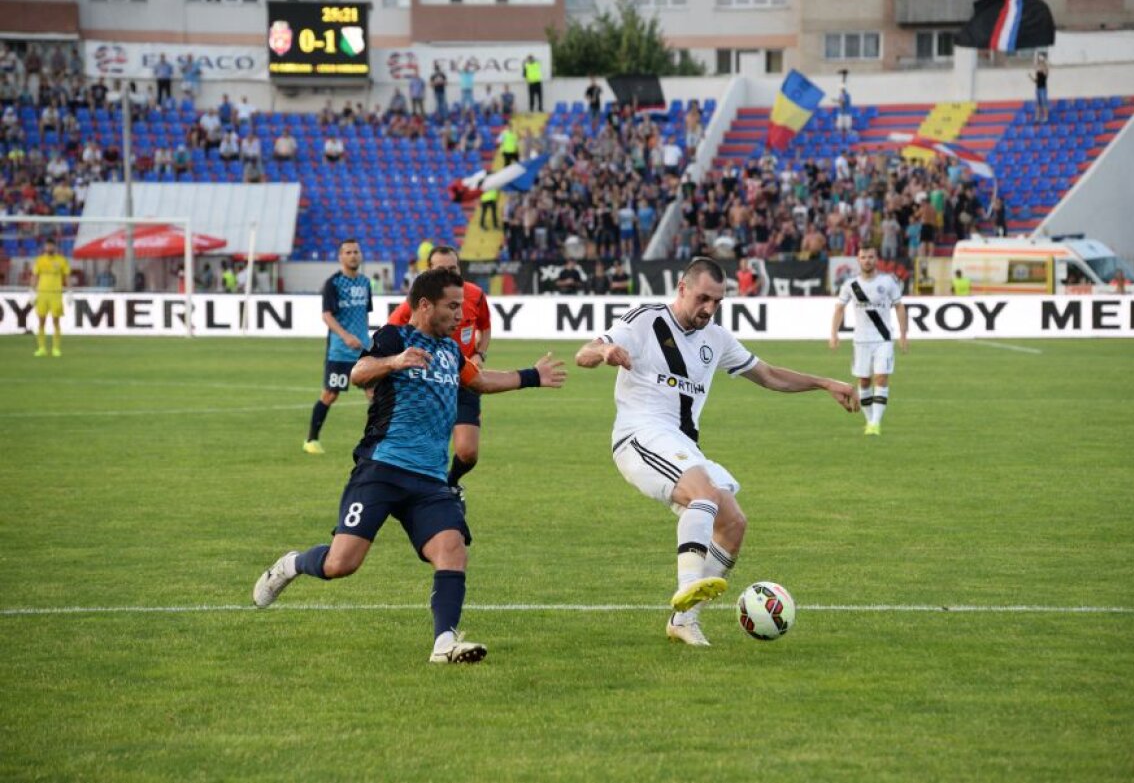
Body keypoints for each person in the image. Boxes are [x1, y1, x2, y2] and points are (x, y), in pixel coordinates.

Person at [254, 267, 567, 664]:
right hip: (382, 469)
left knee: (452, 550)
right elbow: (358, 373)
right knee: (340, 564)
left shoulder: (450, 350)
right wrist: (394, 362)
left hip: (430, 480)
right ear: (424, 305)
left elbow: (479, 381)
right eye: (452, 306)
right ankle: (291, 564)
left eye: (462, 307)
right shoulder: (394, 336)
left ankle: (444, 643)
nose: (460, 315)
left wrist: (531, 376)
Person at [574, 258, 858, 646]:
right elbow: (585, 353)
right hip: (639, 436)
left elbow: (768, 374)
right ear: (682, 289)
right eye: (703, 298)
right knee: (704, 495)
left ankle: (683, 621)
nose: (709, 308)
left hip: (682, 445)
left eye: (718, 301)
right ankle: (688, 585)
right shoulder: (646, 319)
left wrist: (824, 383)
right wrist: (605, 352)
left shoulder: (716, 339)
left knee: (733, 523)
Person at [387, 245, 492, 494]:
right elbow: (391, 331)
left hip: (465, 380)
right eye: (441, 269)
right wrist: (397, 361)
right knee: (415, 450)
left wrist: (479, 353)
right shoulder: (418, 302)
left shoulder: (475, 295)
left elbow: (485, 327)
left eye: (453, 269)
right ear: (429, 271)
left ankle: (451, 482)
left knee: (468, 453)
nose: (448, 274)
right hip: (428, 382)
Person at [304, 239, 372, 455]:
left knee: (374, 394)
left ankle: (373, 442)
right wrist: (346, 337)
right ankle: (311, 440)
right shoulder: (333, 283)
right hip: (341, 351)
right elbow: (327, 315)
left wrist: (366, 340)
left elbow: (364, 314)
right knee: (330, 395)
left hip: (363, 351)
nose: (353, 256)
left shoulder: (365, 283)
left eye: (356, 252)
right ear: (341, 257)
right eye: (348, 252)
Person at [830, 246, 907, 437]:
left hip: (883, 338)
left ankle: (875, 423)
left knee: (881, 377)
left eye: (870, 257)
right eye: (863, 257)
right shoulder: (850, 284)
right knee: (864, 381)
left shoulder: (887, 281)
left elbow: (899, 307)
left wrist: (903, 334)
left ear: (876, 259)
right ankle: (869, 420)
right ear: (858, 260)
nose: (867, 260)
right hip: (861, 340)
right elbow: (839, 308)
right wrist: (834, 334)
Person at [31, 237, 71, 357]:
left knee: (56, 321)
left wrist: (70, 291)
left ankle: (56, 348)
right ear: (45, 247)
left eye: (51, 245)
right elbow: (35, 276)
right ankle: (41, 348)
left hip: (56, 294)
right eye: (47, 245)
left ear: (55, 246)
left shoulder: (61, 260)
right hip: (42, 293)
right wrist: (31, 291)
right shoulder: (40, 260)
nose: (49, 247)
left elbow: (67, 276)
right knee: (41, 320)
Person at [1031, 54, 1050, 125]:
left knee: (1044, 103)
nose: (1040, 65)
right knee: (1038, 104)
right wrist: (1030, 77)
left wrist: (1043, 62)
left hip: (1043, 89)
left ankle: (1046, 117)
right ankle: (1037, 117)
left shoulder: (1045, 71)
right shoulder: (1038, 72)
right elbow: (1036, 81)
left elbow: (1046, 71)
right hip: (1038, 88)